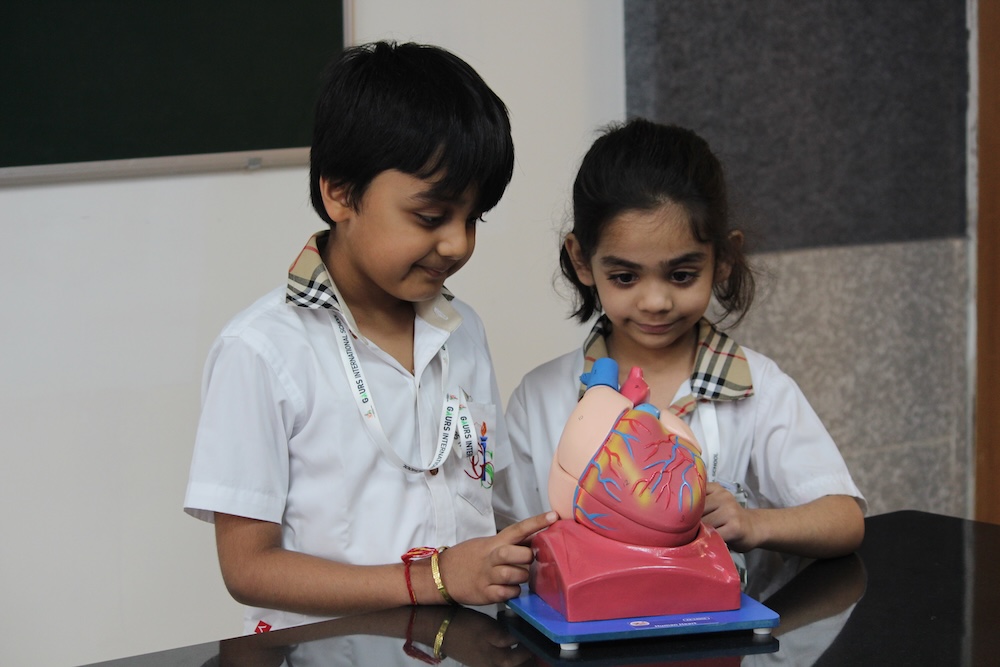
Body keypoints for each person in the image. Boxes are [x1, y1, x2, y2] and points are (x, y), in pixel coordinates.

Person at [184, 41, 556, 634]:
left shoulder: (463, 330)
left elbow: (492, 506)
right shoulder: (262, 349)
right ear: (340, 193)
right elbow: (248, 568)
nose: (457, 243)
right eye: (431, 217)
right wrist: (432, 580)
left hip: (460, 645)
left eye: (473, 218)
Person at [494, 118, 865, 560]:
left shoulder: (760, 388)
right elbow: (507, 536)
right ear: (582, 261)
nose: (656, 301)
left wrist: (753, 523)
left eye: (682, 275)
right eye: (625, 277)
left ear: (723, 258)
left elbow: (845, 519)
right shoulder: (539, 398)